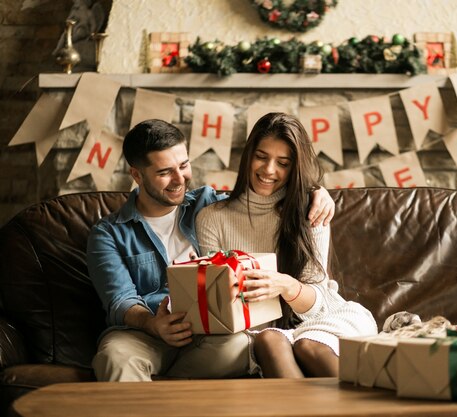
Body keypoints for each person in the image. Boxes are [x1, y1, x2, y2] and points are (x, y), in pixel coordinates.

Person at [86, 118, 335, 382]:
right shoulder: (108, 234)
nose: (179, 179)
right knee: (113, 356)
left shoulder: (207, 206)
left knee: (243, 345)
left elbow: (259, 200)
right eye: (164, 172)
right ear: (137, 175)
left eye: (183, 166)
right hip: (143, 334)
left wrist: (315, 192)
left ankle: (159, 394)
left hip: (208, 335)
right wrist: (152, 324)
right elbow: (120, 300)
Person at [196, 112, 378, 378]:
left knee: (308, 346)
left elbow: (321, 302)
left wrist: (284, 284)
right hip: (260, 332)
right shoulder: (212, 218)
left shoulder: (311, 211)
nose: (269, 170)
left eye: (283, 162)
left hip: (323, 319)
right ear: (248, 156)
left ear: (295, 167)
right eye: (261, 157)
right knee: (268, 340)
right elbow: (218, 303)